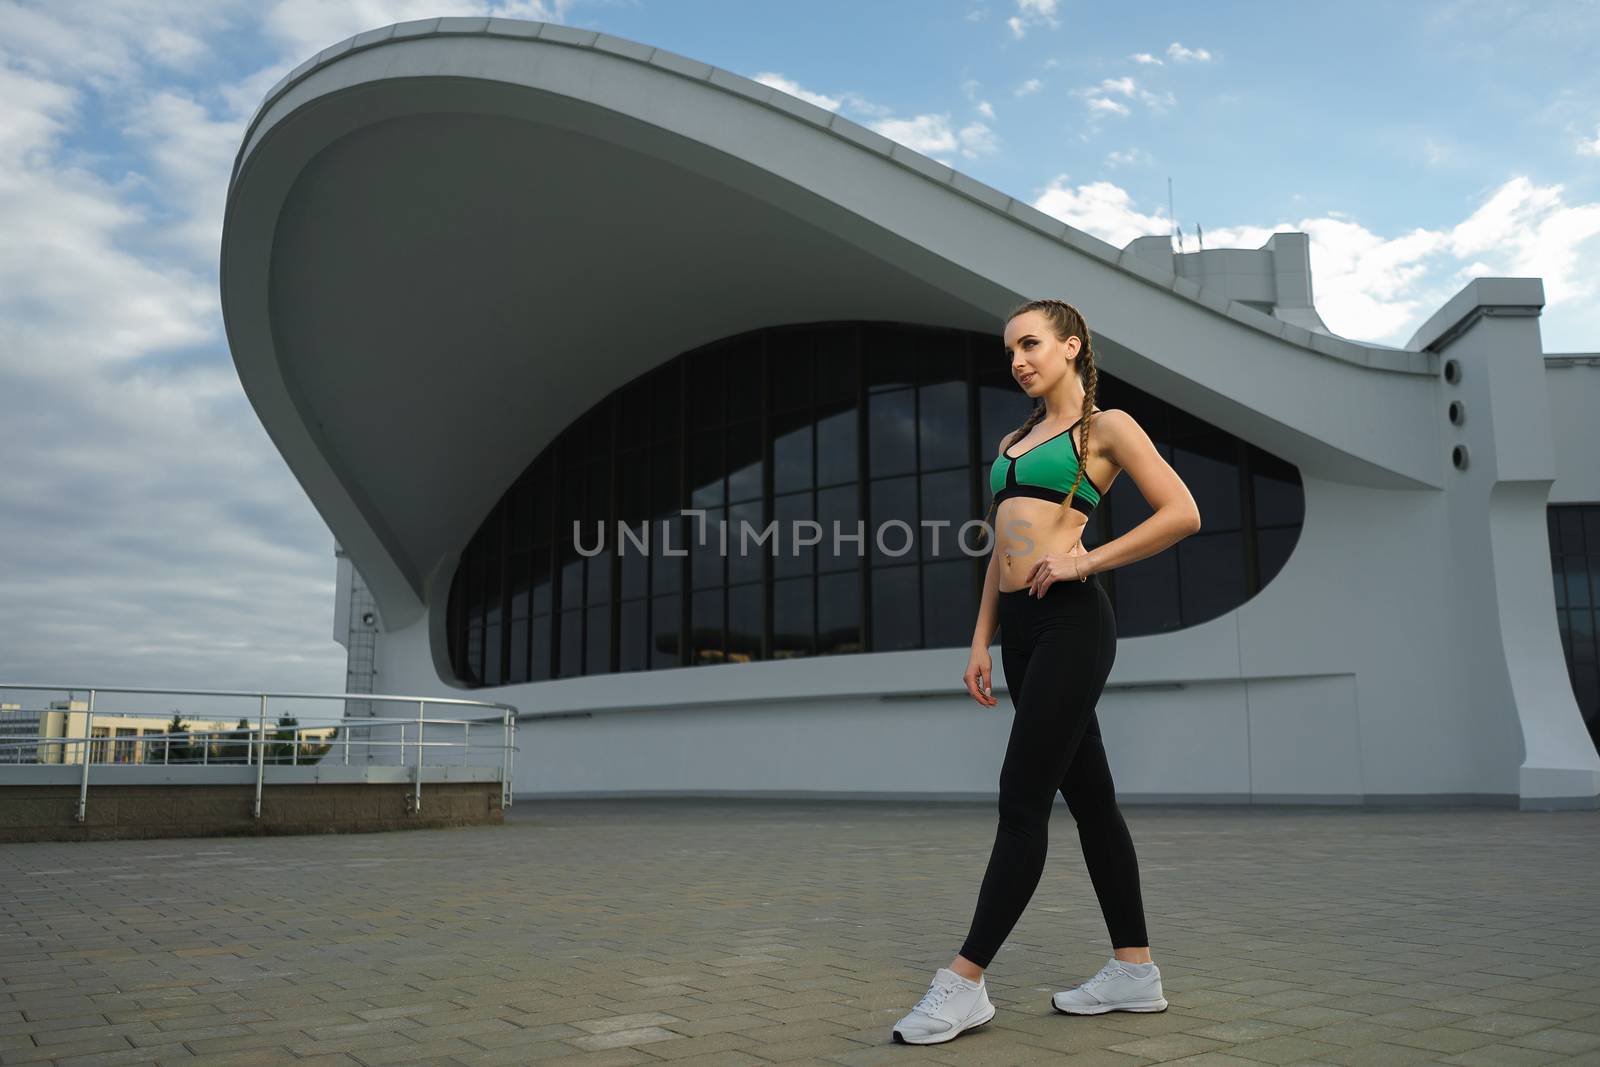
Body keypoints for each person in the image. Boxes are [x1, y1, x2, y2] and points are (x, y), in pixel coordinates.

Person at [892, 298, 1203, 1045]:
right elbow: (1001, 551)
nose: (1018, 360)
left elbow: (1182, 512)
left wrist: (1085, 557)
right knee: (1091, 799)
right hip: (1020, 633)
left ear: (1071, 346)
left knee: (1021, 798)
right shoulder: (1013, 439)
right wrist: (980, 640)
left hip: (1072, 622)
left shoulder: (1109, 428)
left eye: (1029, 344)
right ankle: (1135, 969)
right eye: (1009, 350)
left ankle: (965, 981)